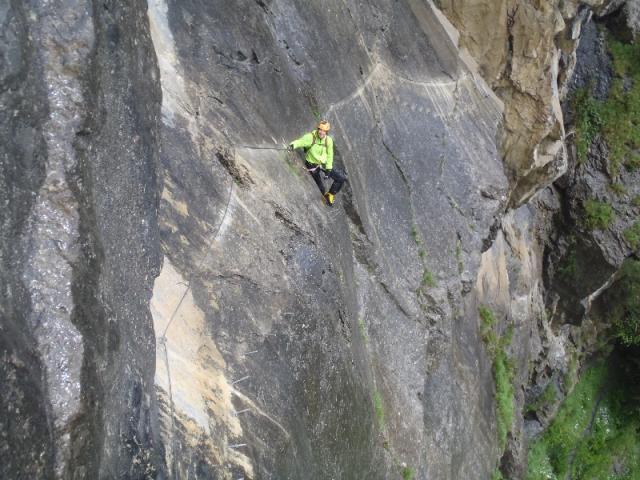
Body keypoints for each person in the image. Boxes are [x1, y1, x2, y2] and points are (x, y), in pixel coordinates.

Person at [288, 120, 347, 206]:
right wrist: (292, 145)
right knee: (321, 189)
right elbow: (300, 142)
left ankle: (330, 195)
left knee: (340, 179)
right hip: (311, 164)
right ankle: (324, 194)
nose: (321, 132)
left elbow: (330, 155)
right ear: (318, 129)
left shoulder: (328, 141)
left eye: (324, 131)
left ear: (327, 132)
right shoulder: (311, 137)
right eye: (320, 129)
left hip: (322, 163)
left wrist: (328, 169)